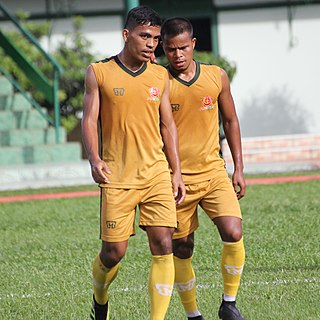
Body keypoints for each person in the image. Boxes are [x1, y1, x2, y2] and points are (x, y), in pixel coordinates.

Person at [81, 6, 186, 320]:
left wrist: (176, 171)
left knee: (164, 243)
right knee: (114, 253)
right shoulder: (98, 72)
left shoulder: (160, 75)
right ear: (126, 35)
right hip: (118, 176)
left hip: (156, 173)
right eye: (145, 36)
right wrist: (95, 159)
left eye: (155, 37)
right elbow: (89, 119)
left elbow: (168, 125)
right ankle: (100, 298)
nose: (152, 43)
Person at [160, 18, 247, 320]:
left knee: (233, 231)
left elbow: (231, 121)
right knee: (182, 248)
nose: (178, 55)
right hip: (176, 181)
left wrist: (239, 167)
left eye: (183, 47)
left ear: (193, 44)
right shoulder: (159, 83)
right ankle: (193, 314)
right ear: (163, 49)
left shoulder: (216, 76)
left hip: (213, 173)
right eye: (170, 49)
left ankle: (229, 303)